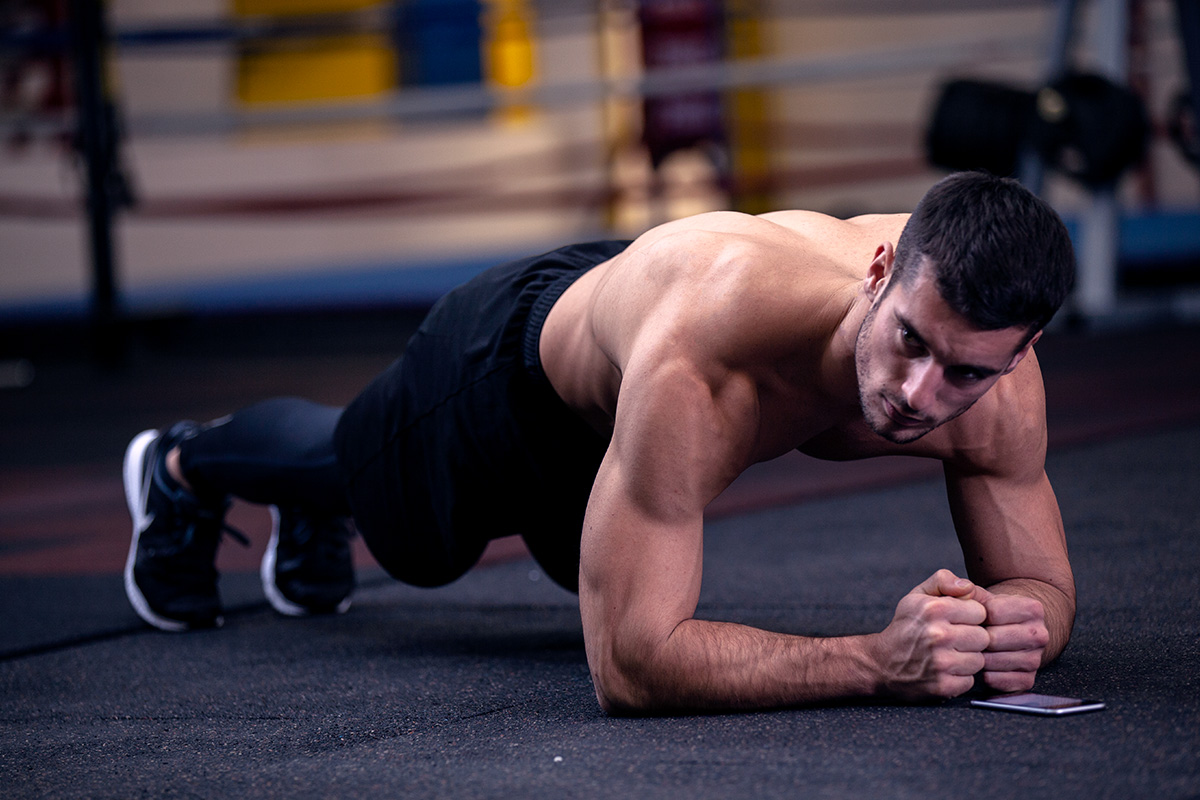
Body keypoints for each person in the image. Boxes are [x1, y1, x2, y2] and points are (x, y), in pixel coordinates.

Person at [123, 171, 1077, 714]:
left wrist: (993, 628)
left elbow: (1044, 592)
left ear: (1019, 352)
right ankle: (181, 464)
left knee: (571, 555)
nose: (919, 394)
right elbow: (627, 668)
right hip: (506, 374)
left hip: (625, 382)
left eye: (964, 370)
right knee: (398, 526)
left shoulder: (997, 380)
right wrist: (879, 660)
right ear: (880, 272)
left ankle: (313, 500)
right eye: (910, 341)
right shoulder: (712, 360)